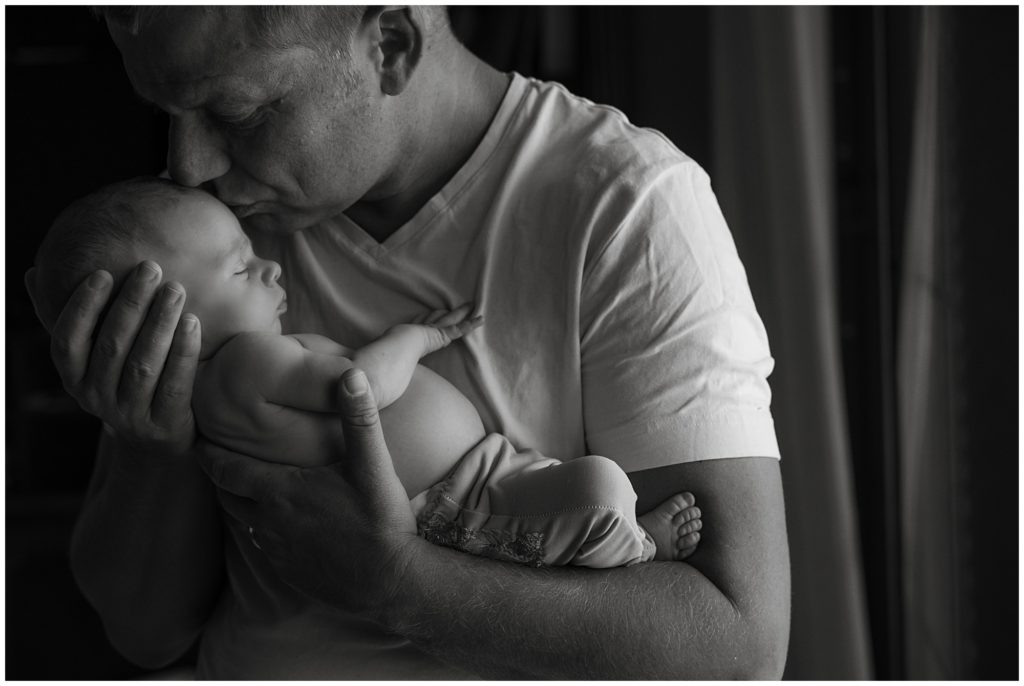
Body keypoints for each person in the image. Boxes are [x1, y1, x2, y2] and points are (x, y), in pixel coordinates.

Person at [28, 6, 790, 679]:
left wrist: (398, 584)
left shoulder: (624, 207)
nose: (190, 166)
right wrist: (147, 441)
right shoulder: (205, 236)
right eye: (168, 112)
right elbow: (144, 634)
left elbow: (737, 647)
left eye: (238, 110)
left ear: (389, 43)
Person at [30, 176, 704, 569]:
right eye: (240, 268)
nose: (268, 267)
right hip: (452, 503)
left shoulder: (214, 392)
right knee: (596, 489)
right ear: (169, 321)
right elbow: (359, 386)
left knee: (575, 494)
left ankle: (626, 538)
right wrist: (414, 337)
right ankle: (633, 546)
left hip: (470, 478)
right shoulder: (243, 364)